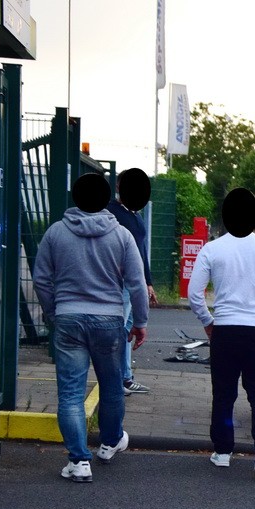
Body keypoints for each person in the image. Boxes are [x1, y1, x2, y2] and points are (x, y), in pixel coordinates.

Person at [34, 173, 149, 483]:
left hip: (69, 319)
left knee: (70, 394)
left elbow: (41, 280)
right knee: (112, 388)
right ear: (105, 199)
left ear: (75, 197)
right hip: (110, 321)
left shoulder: (56, 233)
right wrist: (140, 322)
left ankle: (78, 461)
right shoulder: (122, 235)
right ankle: (110, 443)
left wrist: (53, 311)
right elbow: (137, 284)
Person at [188, 188, 255, 479]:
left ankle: (222, 452)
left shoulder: (212, 249)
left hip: (225, 331)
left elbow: (195, 294)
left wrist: (208, 322)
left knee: (223, 393)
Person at [107, 168, 158, 396]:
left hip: (133, 280)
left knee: (127, 328)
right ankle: (122, 378)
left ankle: (125, 377)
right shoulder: (112, 213)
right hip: (122, 280)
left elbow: (141, 251)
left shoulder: (135, 215)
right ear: (118, 187)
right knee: (123, 328)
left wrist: (148, 281)